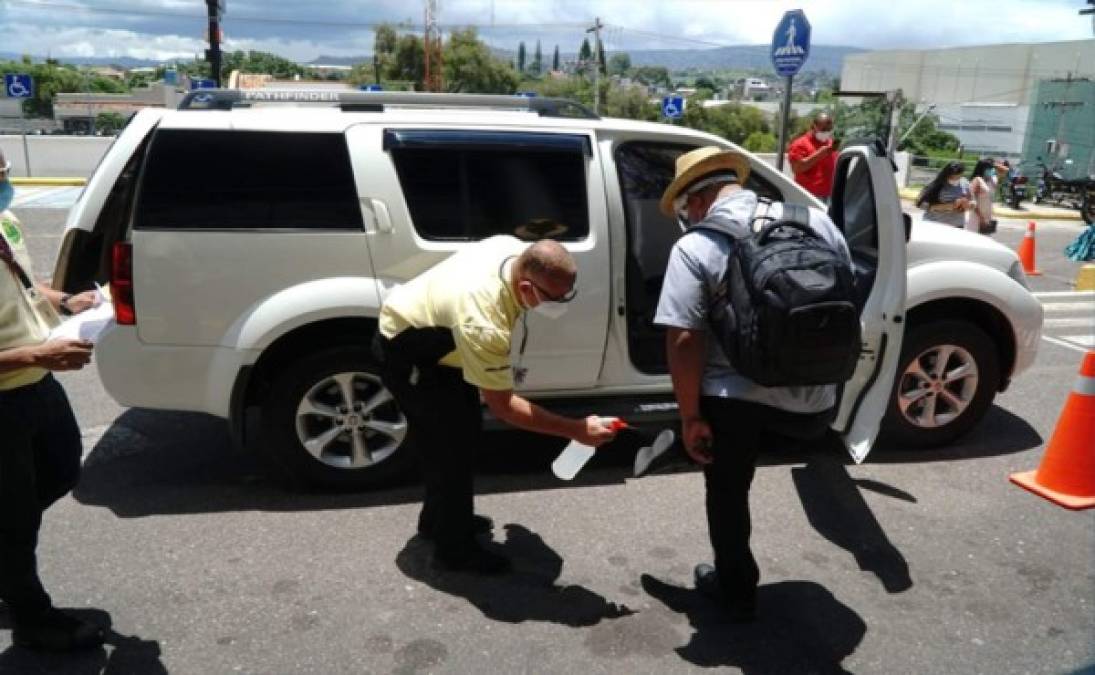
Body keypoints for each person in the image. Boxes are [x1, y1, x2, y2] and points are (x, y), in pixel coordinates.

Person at [654, 146, 852, 621]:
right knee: (753, 461)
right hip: (814, 403)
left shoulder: (697, 244)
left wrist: (689, 417)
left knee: (727, 490)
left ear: (696, 200)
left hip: (735, 401)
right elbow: (848, 290)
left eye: (685, 210)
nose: (687, 218)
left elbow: (684, 339)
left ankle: (736, 588)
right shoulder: (816, 221)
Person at [373, 236, 619, 575]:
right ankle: (453, 551)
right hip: (412, 353)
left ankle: (438, 521)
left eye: (567, 295)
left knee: (461, 436)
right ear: (526, 285)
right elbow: (503, 407)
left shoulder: (509, 247)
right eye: (554, 298)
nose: (561, 304)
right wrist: (576, 429)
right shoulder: (484, 322)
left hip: (441, 340)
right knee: (449, 448)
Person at [0, 151, 105, 651]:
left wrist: (65, 301)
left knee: (62, 471)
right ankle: (33, 618)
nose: (4, 176)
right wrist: (33, 352)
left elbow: (22, 284)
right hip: (6, 394)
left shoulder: (5, 221)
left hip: (37, 383)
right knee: (14, 517)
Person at [788, 111, 839, 201]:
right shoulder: (800, 144)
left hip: (829, 196)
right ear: (814, 126)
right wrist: (819, 154)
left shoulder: (830, 143)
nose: (826, 132)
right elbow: (796, 168)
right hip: (808, 197)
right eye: (823, 130)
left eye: (829, 130)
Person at [917, 161, 972, 228]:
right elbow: (921, 204)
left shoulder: (965, 183)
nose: (955, 180)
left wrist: (967, 205)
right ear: (946, 174)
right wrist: (949, 206)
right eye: (952, 177)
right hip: (935, 225)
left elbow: (972, 201)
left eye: (958, 178)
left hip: (957, 225)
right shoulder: (936, 184)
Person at [968, 158, 999, 234]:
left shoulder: (992, 180)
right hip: (976, 217)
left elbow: (1005, 170)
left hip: (988, 216)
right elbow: (973, 201)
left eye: (992, 168)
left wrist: (994, 165)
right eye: (989, 168)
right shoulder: (977, 180)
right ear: (982, 169)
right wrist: (981, 218)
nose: (992, 170)